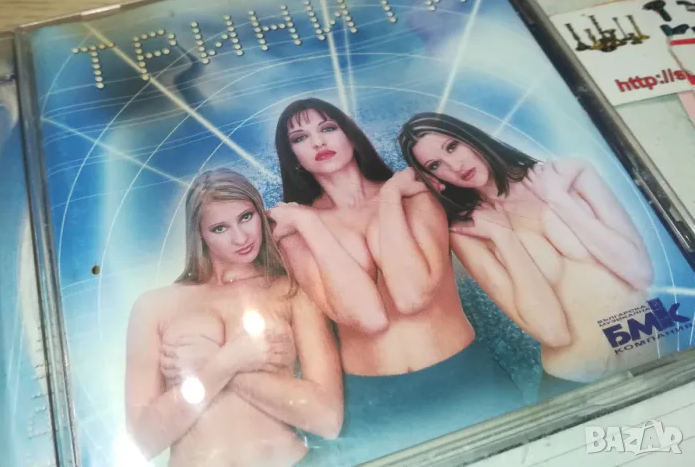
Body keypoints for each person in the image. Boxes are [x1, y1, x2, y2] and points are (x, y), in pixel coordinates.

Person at [270, 98, 523, 464]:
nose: (317, 142)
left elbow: (411, 295)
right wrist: (311, 223)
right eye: (300, 138)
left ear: (351, 136)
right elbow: (366, 317)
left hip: (466, 378)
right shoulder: (294, 229)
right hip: (375, 403)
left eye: (327, 128)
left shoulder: (414, 194)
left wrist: (388, 196)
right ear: (293, 156)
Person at [398, 112, 655, 399]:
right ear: (433, 178)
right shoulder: (468, 232)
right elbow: (552, 333)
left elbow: (639, 273)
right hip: (575, 383)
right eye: (435, 165)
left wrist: (557, 198)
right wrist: (504, 237)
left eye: (452, 146)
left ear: (470, 137)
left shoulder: (568, 174)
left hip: (657, 356)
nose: (454, 166)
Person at [124, 169, 343, 467]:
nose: (241, 237)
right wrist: (226, 362)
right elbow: (142, 442)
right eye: (219, 228)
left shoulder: (291, 291)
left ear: (260, 212)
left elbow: (328, 419)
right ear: (199, 233)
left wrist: (221, 365)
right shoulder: (153, 306)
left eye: (246, 217)